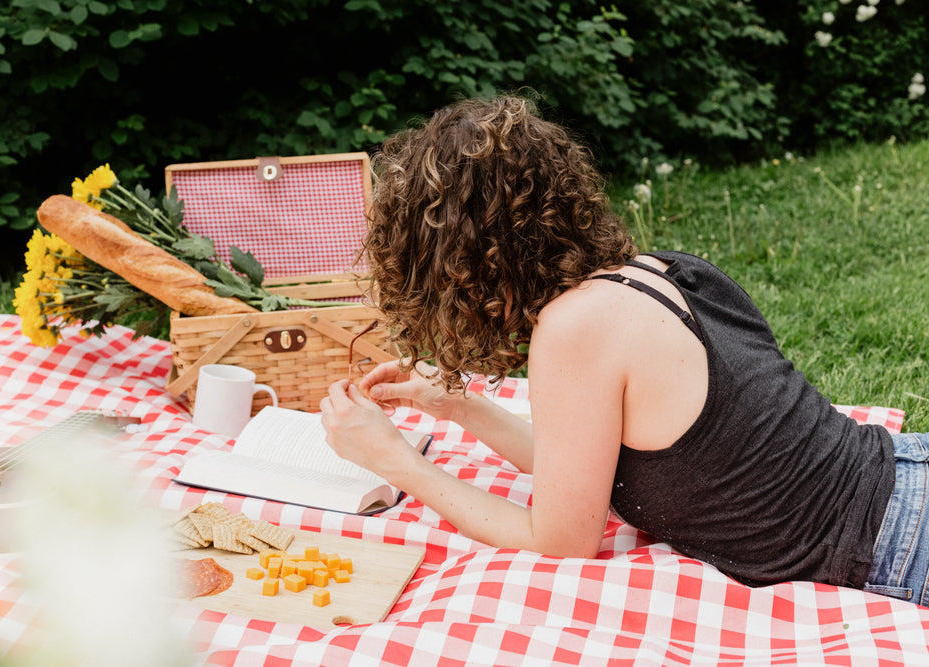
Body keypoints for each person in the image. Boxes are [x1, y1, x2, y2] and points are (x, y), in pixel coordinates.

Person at [319, 95, 929, 604]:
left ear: (469, 257)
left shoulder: (573, 328)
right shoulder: (656, 272)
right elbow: (584, 470)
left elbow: (561, 539)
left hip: (897, 538)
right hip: (903, 475)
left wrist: (394, 460)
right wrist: (453, 406)